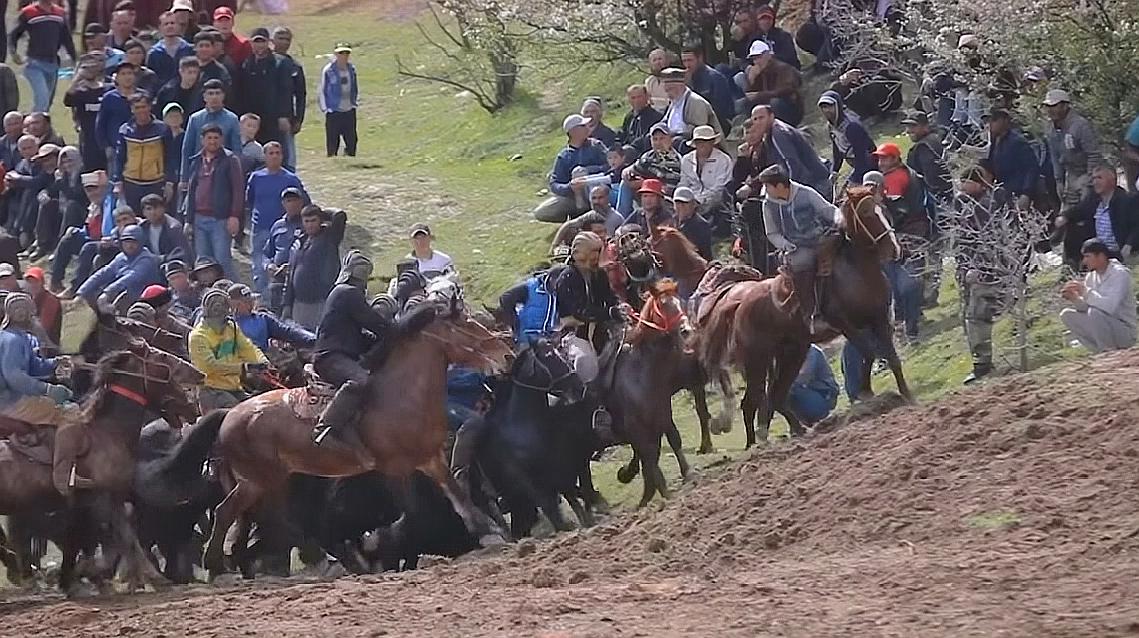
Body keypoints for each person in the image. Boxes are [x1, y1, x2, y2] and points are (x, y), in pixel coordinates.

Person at [0, 293, 83, 495]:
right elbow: (15, 377)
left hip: (12, 396)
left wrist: (56, 363)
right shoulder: (13, 341)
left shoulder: (19, 337)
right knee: (70, 413)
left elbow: (34, 367)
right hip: (11, 401)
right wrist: (48, 390)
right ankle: (62, 477)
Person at [311, 250, 395, 449]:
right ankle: (325, 426)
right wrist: (397, 331)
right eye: (361, 272)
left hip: (339, 353)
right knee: (360, 381)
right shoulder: (347, 293)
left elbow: (358, 333)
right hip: (331, 356)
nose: (363, 278)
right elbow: (374, 322)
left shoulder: (344, 293)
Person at [758, 165, 841, 333]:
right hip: (798, 247)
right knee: (802, 262)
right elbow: (772, 233)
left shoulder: (806, 193)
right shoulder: (768, 205)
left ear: (779, 186)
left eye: (767, 186)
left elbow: (827, 210)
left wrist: (839, 218)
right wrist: (785, 245)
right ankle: (812, 312)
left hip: (820, 238)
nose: (765, 189)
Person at [954, 166, 1013, 384]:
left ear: (979, 184)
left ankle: (983, 364)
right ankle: (980, 360)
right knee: (969, 318)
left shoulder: (986, 207)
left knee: (977, 317)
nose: (962, 186)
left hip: (986, 272)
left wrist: (980, 268)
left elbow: (989, 243)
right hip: (968, 270)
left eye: (967, 182)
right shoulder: (962, 205)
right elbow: (961, 240)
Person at [189, 287, 268, 411]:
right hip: (211, 391)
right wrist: (244, 368)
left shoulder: (231, 327)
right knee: (239, 413)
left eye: (223, 319)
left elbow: (248, 348)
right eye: (217, 320)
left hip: (235, 388)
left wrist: (263, 362)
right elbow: (209, 367)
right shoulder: (198, 337)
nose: (222, 323)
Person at [553, 231, 626, 363]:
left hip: (600, 324)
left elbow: (609, 296)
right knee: (585, 360)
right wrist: (610, 312)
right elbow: (581, 312)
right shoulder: (567, 279)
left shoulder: (599, 274)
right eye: (593, 259)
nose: (596, 261)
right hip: (574, 332)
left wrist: (619, 306)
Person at [183, 123, 244, 278]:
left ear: (221, 139)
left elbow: (238, 190)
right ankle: (209, 297)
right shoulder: (196, 160)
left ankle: (234, 295)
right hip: (199, 219)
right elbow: (191, 190)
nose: (212, 141)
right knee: (203, 263)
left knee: (222, 261)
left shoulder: (230, 160)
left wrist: (234, 216)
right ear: (202, 140)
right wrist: (188, 220)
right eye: (209, 138)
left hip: (221, 219)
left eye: (216, 138)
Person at [246, 142, 306, 293]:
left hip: (283, 229)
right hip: (260, 227)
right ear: (264, 156)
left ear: (282, 156)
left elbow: (304, 202)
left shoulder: (291, 179)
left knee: (281, 266)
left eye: (277, 153)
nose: (274, 156)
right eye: (271, 153)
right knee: (260, 267)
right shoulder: (256, 177)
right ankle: (262, 300)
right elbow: (250, 200)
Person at [1059, 238, 1137, 353]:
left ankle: (1109, 353)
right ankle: (1100, 351)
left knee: (1095, 313)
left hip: (1124, 330)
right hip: (1102, 326)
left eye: (1088, 256)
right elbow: (1086, 308)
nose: (1084, 261)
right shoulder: (1091, 277)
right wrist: (1075, 298)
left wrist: (1085, 291)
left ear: (1101, 256)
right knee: (1066, 315)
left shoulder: (1119, 274)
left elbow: (1110, 307)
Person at [533, 113, 609, 223]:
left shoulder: (596, 146)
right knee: (542, 212)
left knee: (579, 172)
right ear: (574, 131)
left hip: (599, 190)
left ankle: (597, 216)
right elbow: (555, 183)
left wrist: (588, 172)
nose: (587, 127)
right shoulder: (564, 156)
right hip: (574, 197)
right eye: (583, 126)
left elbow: (609, 166)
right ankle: (576, 218)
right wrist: (570, 187)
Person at [1055, 165, 1139, 264]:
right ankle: (1072, 264)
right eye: (1094, 178)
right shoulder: (1093, 199)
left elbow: (1136, 226)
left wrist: (1128, 245)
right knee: (1072, 227)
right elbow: (1078, 210)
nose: (1095, 182)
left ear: (1113, 180)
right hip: (1098, 251)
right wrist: (1064, 216)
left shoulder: (1126, 200)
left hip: (1118, 251)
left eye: (1099, 178)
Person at [283, 205, 347, 329]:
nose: (310, 225)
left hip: (320, 302)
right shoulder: (300, 242)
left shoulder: (329, 238)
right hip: (299, 303)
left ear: (321, 221)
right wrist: (287, 304)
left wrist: (322, 213)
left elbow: (339, 216)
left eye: (314, 220)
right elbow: (290, 274)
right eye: (307, 221)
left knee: (317, 341)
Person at [76, 223, 162, 313]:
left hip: (145, 302)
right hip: (122, 295)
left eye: (133, 242)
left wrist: (107, 294)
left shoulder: (146, 259)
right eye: (126, 242)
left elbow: (130, 278)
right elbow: (103, 273)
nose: (129, 246)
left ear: (140, 242)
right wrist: (81, 292)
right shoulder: (120, 257)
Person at [113, 92, 177, 213]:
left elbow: (170, 157)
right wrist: (118, 181)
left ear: (149, 107)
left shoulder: (162, 129)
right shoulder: (125, 130)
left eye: (144, 107)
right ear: (132, 109)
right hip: (131, 183)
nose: (141, 110)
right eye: (137, 107)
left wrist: (170, 182)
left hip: (155, 183)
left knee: (156, 216)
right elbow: (119, 158)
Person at [9, 0, 76, 112]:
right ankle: (32, 126)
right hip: (34, 64)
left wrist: (74, 58)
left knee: (46, 104)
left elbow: (67, 38)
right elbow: (14, 34)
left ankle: (35, 126)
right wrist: (14, 52)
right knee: (42, 99)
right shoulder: (29, 12)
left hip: (53, 64)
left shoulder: (60, 13)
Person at [1043, 89, 1101, 210]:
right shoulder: (1051, 128)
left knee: (1087, 209)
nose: (1050, 110)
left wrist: (1089, 179)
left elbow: (1093, 154)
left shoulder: (1080, 125)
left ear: (1064, 106)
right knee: (1067, 213)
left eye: (1054, 106)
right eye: (1048, 106)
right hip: (1071, 174)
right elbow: (1055, 157)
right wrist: (1059, 181)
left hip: (1087, 173)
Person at [180, 79, 240, 183]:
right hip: (199, 171)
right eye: (210, 93)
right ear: (204, 97)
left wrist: (236, 177)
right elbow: (187, 149)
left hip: (223, 172)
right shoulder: (195, 118)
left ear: (223, 96)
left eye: (217, 93)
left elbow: (237, 150)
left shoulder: (232, 119)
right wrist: (184, 178)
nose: (214, 97)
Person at [238, 27, 290, 145]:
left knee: (274, 151)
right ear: (251, 43)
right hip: (253, 118)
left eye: (263, 42)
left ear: (269, 43)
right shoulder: (246, 64)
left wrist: (283, 115)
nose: (259, 45)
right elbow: (242, 91)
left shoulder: (280, 63)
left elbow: (285, 90)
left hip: (273, 118)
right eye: (256, 42)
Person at [619, 121, 683, 216]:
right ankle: (622, 218)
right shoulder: (648, 156)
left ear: (670, 139)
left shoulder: (676, 160)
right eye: (655, 139)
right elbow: (628, 171)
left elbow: (669, 189)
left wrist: (645, 184)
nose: (658, 142)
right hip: (645, 192)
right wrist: (629, 177)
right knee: (624, 184)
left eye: (662, 138)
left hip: (665, 197)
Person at [229, 282, 314, 352]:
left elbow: (288, 332)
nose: (252, 303)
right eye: (247, 301)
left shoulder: (263, 319)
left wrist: (313, 339)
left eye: (251, 300)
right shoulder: (228, 324)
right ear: (236, 304)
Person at [679, 125, 733, 232]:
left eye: (706, 141)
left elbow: (720, 188)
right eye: (699, 141)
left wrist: (698, 201)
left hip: (714, 200)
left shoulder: (723, 160)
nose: (702, 144)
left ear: (713, 142)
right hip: (690, 199)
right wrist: (683, 198)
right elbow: (683, 183)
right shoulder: (686, 159)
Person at [738, 40, 803, 127]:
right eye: (754, 59)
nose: (756, 61)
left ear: (768, 55)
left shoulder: (782, 68)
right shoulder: (760, 72)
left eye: (759, 57)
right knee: (744, 103)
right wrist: (752, 80)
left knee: (775, 102)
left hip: (789, 108)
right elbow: (751, 94)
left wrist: (761, 95)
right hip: (770, 107)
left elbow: (786, 90)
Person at [818, 90, 876, 184]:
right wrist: (834, 171)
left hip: (870, 164)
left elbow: (862, 157)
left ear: (838, 106)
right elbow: (837, 151)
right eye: (824, 107)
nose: (827, 110)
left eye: (830, 106)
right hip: (856, 164)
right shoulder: (831, 127)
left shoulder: (852, 127)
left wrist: (853, 179)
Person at [985, 107, 1039, 206]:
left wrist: (1026, 193)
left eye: (994, 120)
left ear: (1004, 121)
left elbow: (1031, 168)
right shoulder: (992, 142)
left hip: (1016, 191)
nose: (990, 124)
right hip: (1000, 192)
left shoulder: (1017, 142)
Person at [64, 54, 109, 171]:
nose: (90, 70)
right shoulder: (79, 92)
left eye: (93, 66)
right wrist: (78, 77)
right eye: (86, 67)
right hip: (88, 140)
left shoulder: (108, 89)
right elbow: (67, 101)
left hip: (107, 140)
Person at [264, 186, 305, 311]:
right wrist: (268, 265)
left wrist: (292, 266)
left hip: (299, 277)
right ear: (283, 204)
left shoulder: (307, 223)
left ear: (301, 202)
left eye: (294, 200)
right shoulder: (278, 225)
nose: (292, 204)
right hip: (278, 279)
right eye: (288, 201)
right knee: (276, 311)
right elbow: (266, 253)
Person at [94, 61, 140, 171]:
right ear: (117, 78)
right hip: (116, 148)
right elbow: (100, 124)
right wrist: (105, 146)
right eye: (123, 74)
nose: (127, 77)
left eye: (130, 73)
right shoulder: (109, 98)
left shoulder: (142, 97)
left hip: (139, 146)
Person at [661, 67, 724, 146]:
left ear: (680, 86)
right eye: (666, 90)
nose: (667, 93)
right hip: (673, 138)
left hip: (696, 144)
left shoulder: (696, 102)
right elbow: (664, 122)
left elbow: (701, 130)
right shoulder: (674, 101)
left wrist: (673, 134)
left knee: (677, 141)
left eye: (670, 89)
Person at [271, 26, 305, 170]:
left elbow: (301, 94)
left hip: (287, 119)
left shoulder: (294, 66)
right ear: (272, 40)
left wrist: (298, 119)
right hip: (266, 117)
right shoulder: (265, 62)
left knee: (288, 158)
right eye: (280, 38)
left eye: (287, 39)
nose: (284, 42)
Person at [318, 42, 359, 158]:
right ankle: (332, 160)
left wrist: (354, 102)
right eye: (341, 52)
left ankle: (350, 159)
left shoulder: (351, 69)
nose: (344, 55)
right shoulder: (329, 70)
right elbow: (322, 89)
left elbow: (354, 86)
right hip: (334, 110)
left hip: (349, 109)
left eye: (347, 53)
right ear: (336, 54)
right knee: (332, 139)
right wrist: (326, 108)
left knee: (352, 139)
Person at [680, 46, 734, 131]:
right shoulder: (687, 79)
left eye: (690, 60)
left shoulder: (715, 78)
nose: (687, 65)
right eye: (684, 61)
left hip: (717, 122)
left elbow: (721, 109)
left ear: (700, 58)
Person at [902, 110, 952, 201]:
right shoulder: (934, 138)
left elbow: (931, 178)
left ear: (925, 127)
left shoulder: (923, 147)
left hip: (935, 198)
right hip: (945, 193)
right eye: (908, 127)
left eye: (913, 126)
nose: (908, 131)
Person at [732, 5, 800, 70]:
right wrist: (748, 68)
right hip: (760, 71)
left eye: (769, 18)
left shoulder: (783, 36)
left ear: (773, 20)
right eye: (762, 19)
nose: (766, 22)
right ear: (757, 21)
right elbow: (745, 59)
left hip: (782, 70)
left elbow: (790, 58)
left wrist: (768, 58)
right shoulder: (753, 38)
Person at [786, 345, 838, 425]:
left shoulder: (810, 351)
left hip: (823, 397)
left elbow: (803, 378)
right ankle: (798, 424)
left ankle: (800, 423)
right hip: (809, 395)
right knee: (781, 392)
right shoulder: (787, 353)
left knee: (786, 391)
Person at [147, 10, 194, 90]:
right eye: (166, 24)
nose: (170, 26)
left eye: (172, 23)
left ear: (179, 26)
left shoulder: (189, 49)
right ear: (160, 28)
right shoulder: (154, 53)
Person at [138, 192, 189, 264]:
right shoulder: (141, 228)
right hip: (148, 265)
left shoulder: (174, 228)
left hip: (171, 265)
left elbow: (181, 253)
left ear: (163, 209)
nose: (153, 212)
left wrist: (160, 259)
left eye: (156, 208)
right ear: (143, 212)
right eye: (149, 209)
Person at [616, 84, 662, 154]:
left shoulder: (655, 116)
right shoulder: (629, 116)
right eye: (633, 98)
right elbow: (623, 134)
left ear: (646, 97)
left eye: (639, 97)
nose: (636, 101)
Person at [673, 186, 712, 261]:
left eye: (685, 203)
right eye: (678, 203)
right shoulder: (670, 222)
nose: (681, 206)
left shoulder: (701, 225)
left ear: (694, 204)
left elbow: (701, 253)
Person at [23, 266, 60, 345]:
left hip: (47, 346)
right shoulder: (27, 298)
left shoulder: (50, 300)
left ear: (42, 283)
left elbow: (43, 328)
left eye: (36, 281)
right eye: (29, 281)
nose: (32, 285)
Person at [644, 48, 672, 112]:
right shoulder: (649, 81)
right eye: (654, 60)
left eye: (660, 59)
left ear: (667, 61)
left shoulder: (675, 78)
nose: (658, 62)